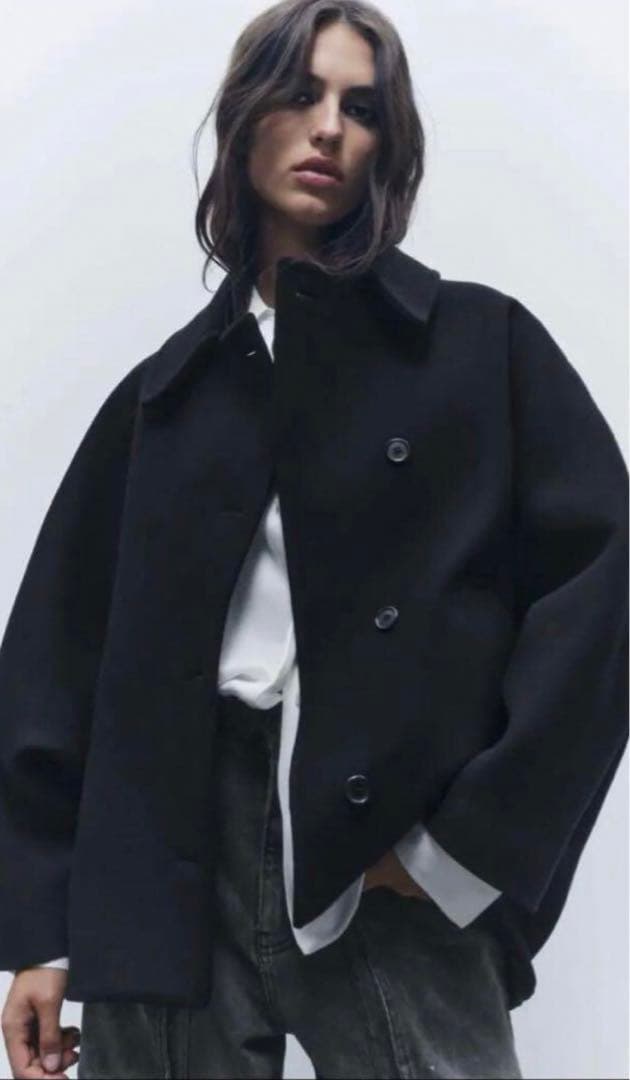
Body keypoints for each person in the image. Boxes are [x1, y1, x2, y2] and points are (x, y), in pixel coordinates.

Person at [1, 1, 627, 1077]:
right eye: (300, 94)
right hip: (168, 869)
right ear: (245, 120)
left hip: (378, 858)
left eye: (362, 108)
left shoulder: (480, 347)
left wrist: (461, 851)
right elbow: (52, 670)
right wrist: (43, 937)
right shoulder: (166, 396)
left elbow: (602, 602)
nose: (329, 127)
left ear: (391, 144)